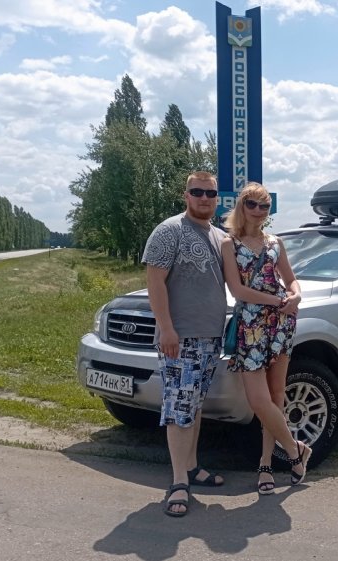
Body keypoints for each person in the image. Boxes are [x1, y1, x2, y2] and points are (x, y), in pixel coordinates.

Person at [142, 171, 227, 517]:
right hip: (181, 337)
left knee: (195, 405)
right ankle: (178, 482)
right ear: (186, 195)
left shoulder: (219, 236)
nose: (204, 198)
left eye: (210, 193)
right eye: (197, 191)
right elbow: (155, 282)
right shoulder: (169, 231)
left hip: (211, 337)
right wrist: (166, 328)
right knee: (179, 408)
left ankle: (191, 467)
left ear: (217, 197)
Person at [220, 182, 311, 495]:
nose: (258, 211)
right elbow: (237, 290)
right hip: (251, 326)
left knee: (276, 396)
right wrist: (277, 300)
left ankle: (266, 464)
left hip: (281, 323)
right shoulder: (229, 244)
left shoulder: (275, 242)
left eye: (264, 206)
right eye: (252, 204)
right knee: (258, 401)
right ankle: (296, 450)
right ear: (241, 206)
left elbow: (291, 279)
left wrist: (296, 296)